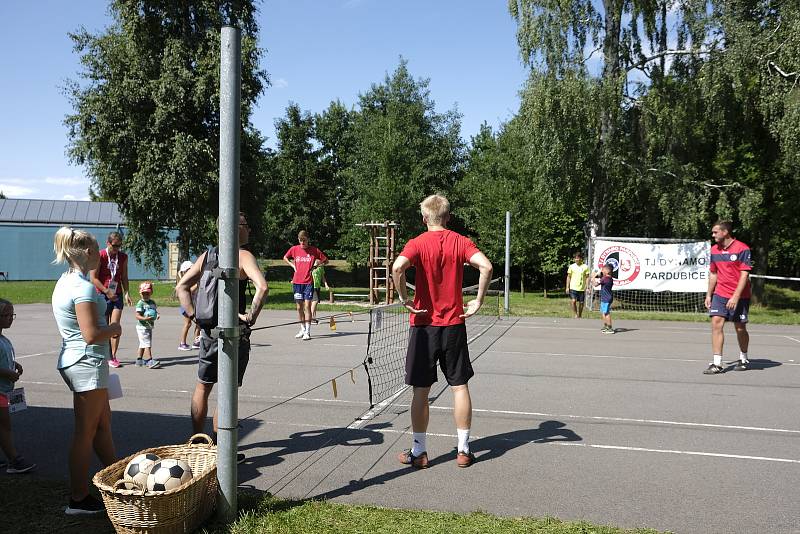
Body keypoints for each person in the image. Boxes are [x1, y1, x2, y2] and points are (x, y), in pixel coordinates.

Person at [391, 194, 493, 469]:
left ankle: (419, 451)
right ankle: (463, 450)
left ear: (424, 218)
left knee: (420, 392)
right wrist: (478, 301)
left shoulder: (417, 243)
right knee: (459, 387)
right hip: (453, 325)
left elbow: (397, 267)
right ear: (448, 218)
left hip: (424, 326)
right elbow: (486, 266)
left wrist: (403, 299)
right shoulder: (459, 241)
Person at [176, 213, 268, 461]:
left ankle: (197, 444)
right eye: (247, 225)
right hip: (234, 334)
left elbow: (181, 287)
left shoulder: (207, 256)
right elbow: (263, 287)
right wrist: (251, 316)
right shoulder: (243, 255)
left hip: (207, 331)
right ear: (237, 228)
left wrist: (195, 316)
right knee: (228, 391)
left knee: (202, 386)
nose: (249, 229)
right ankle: (223, 449)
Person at [52, 227, 121, 515]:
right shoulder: (83, 288)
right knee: (86, 432)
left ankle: (118, 480)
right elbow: (91, 334)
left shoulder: (66, 281)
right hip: (86, 364)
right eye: (97, 251)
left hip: (83, 362)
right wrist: (114, 328)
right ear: (91, 253)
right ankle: (78, 499)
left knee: (102, 424)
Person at [703, 221, 752, 374]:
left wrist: (736, 296)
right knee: (716, 323)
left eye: (715, 232)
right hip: (720, 294)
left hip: (739, 295)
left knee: (739, 327)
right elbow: (713, 273)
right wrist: (709, 294)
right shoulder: (714, 250)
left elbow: (744, 274)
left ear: (725, 232)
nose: (713, 235)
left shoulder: (742, 248)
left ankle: (743, 357)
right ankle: (717, 363)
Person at [0, 298, 36, 474]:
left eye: (11, 315)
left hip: (5, 389)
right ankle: (14, 460)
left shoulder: (4, 339)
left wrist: (14, 364)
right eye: (5, 315)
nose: (9, 318)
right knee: (4, 426)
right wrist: (8, 374)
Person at [89, 231, 132, 368]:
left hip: (117, 294)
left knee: (115, 326)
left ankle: (113, 356)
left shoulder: (123, 257)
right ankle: (104, 353)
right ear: (108, 243)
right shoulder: (100, 255)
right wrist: (106, 291)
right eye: (115, 246)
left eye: (119, 246)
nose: (117, 249)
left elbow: (124, 277)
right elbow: (93, 278)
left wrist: (126, 293)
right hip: (102, 294)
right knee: (104, 326)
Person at [283, 231, 328, 340]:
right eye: (300, 240)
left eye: (304, 240)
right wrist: (292, 265)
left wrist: (317, 264)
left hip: (308, 282)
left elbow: (326, 260)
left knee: (307, 306)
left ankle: (307, 331)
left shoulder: (314, 250)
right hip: (297, 282)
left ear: (308, 239)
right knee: (299, 307)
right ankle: (302, 328)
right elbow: (285, 257)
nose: (302, 242)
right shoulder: (294, 249)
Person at [134, 282, 161, 369]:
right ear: (140, 293)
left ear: (151, 292)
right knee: (147, 344)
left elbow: (154, 311)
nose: (145, 295)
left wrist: (157, 315)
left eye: (147, 293)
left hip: (148, 326)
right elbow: (137, 315)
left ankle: (139, 360)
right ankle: (150, 360)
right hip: (142, 327)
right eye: (143, 293)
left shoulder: (152, 302)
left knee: (143, 343)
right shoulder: (140, 303)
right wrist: (144, 319)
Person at [176, 260, 201, 351]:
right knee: (188, 324)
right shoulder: (186, 280)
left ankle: (197, 341)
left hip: (194, 304)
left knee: (199, 323)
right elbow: (189, 291)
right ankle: (182, 343)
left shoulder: (192, 279)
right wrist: (198, 284)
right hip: (186, 305)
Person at [565, 251, 590, 318]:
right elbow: (568, 277)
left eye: (578, 258)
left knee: (581, 303)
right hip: (573, 287)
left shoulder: (585, 267)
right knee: (573, 301)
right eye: (575, 258)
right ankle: (575, 314)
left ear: (581, 259)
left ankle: (580, 315)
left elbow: (587, 277)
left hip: (582, 288)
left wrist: (587, 287)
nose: (577, 259)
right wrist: (567, 287)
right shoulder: (571, 266)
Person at [593, 265, 615, 333]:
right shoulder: (607, 278)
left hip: (607, 298)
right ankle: (606, 326)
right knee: (603, 312)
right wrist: (596, 274)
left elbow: (595, 284)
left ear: (607, 271)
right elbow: (600, 276)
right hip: (605, 298)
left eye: (603, 270)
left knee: (606, 313)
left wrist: (593, 277)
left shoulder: (606, 279)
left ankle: (610, 328)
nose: (602, 271)